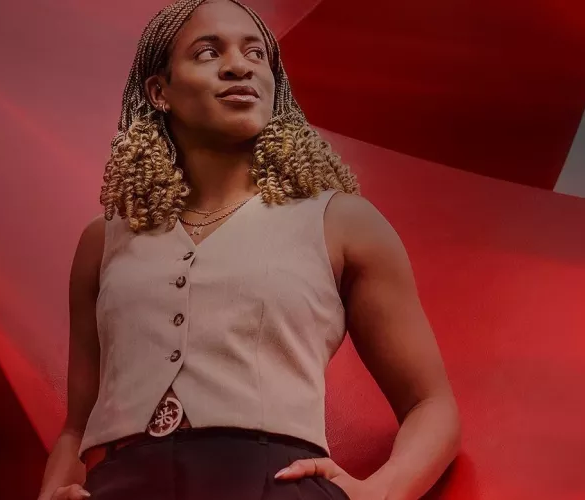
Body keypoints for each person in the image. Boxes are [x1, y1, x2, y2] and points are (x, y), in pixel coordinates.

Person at [39, 1, 460, 498]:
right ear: (159, 92)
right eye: (208, 51)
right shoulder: (103, 240)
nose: (240, 65)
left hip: (273, 486)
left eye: (256, 53)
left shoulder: (342, 222)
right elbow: (76, 425)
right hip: (120, 483)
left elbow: (432, 406)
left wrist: (379, 493)